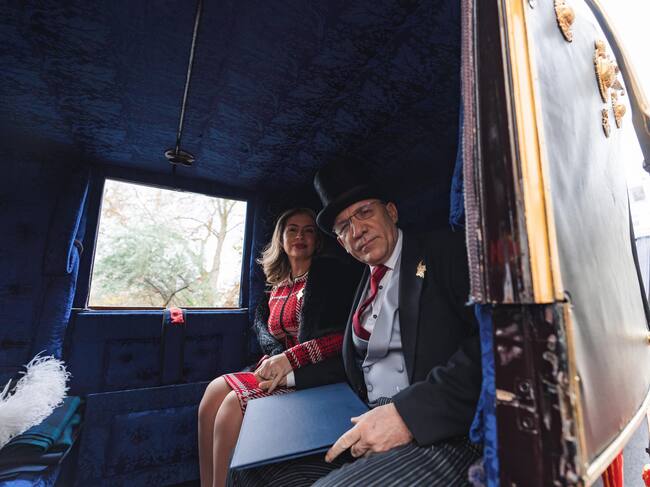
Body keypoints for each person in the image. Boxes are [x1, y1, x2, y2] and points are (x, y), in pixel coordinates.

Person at [230, 163, 482, 486]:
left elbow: (491, 344)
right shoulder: (362, 284)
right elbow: (357, 366)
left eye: (364, 212)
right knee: (247, 471)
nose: (357, 230)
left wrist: (408, 415)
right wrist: (290, 376)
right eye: (344, 227)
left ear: (391, 212)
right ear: (342, 243)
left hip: (439, 431)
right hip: (363, 420)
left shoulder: (444, 252)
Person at [198, 207, 360, 487]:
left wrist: (291, 358)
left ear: (318, 241)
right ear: (281, 239)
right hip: (276, 370)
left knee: (232, 406)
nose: (300, 236)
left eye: (309, 231)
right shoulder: (276, 285)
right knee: (212, 394)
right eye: (292, 230)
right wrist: (275, 357)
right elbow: (267, 335)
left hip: (313, 374)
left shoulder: (328, 280)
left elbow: (342, 337)